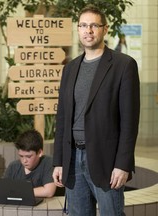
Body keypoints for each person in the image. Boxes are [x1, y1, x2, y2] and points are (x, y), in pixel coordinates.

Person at [52, 4, 140, 216]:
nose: (88, 30)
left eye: (93, 25)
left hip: (107, 160)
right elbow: (62, 119)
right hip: (72, 159)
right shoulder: (70, 68)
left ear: (105, 29)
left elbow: (130, 121)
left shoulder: (123, 65)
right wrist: (58, 162)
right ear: (78, 29)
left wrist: (123, 164)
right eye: (83, 25)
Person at [0, 129, 56, 198]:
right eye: (21, 156)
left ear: (40, 153)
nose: (24, 161)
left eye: (28, 156)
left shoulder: (48, 162)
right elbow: (3, 189)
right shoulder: (13, 166)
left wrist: (16, 192)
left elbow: (48, 191)